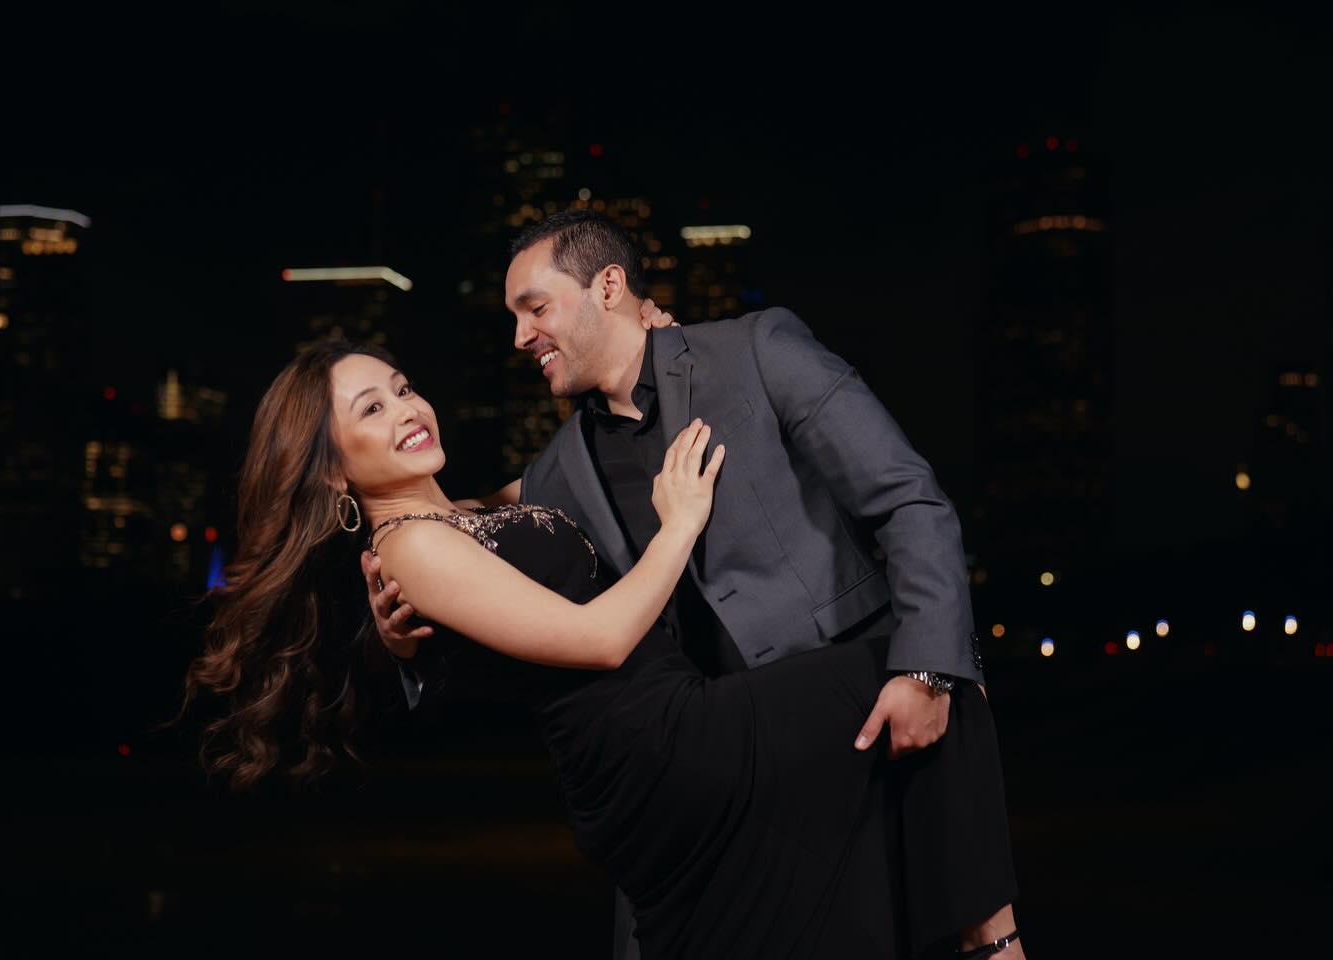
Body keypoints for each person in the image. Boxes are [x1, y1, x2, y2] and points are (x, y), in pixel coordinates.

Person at [185, 339, 1018, 958]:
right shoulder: (409, 548)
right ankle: (991, 944)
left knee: (832, 853)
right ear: (333, 474)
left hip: (668, 728)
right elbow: (603, 638)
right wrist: (680, 523)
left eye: (402, 388)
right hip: (655, 746)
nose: (407, 409)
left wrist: (654, 343)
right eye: (371, 409)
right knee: (924, 668)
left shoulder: (467, 515)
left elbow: (574, 468)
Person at [368, 210, 1024, 959]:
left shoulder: (756, 350)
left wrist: (925, 671)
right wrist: (405, 630)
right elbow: (469, 542)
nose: (520, 336)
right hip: (719, 790)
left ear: (607, 287)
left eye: (535, 307)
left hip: (867, 727)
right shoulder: (554, 475)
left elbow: (908, 501)